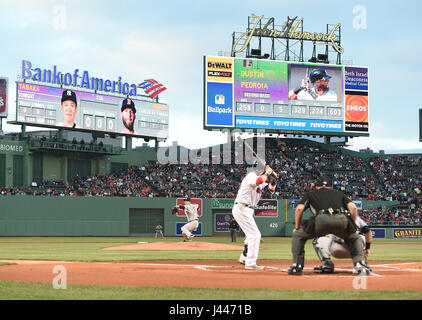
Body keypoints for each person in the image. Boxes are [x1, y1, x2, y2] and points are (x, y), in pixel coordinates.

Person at [288, 177, 372, 276]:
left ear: (316, 187)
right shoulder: (339, 193)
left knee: (298, 236)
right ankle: (360, 265)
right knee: (355, 238)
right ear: (330, 187)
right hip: (341, 219)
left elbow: (299, 209)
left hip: (321, 220)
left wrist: (297, 227)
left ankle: (297, 266)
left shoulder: (310, 194)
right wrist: (352, 225)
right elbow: (353, 208)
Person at [233, 162, 276, 270]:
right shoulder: (251, 176)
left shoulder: (259, 177)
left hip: (247, 209)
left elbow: (271, 189)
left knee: (250, 235)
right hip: (242, 207)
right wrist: (268, 172)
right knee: (255, 235)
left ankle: (244, 257)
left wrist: (273, 179)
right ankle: (250, 263)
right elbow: (259, 181)